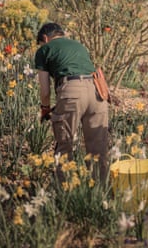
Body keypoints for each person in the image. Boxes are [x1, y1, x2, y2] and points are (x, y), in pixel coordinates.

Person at [34, 22, 109, 181]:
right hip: (97, 93)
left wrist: (45, 108)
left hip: (72, 91)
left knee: (64, 145)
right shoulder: (78, 45)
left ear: (46, 38)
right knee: (98, 147)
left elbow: (45, 91)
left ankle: (65, 192)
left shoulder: (44, 50)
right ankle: (100, 194)